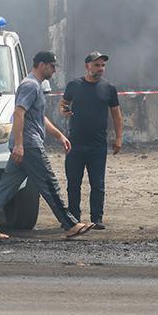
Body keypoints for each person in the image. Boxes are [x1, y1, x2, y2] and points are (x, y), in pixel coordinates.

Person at [0, 51, 93, 240]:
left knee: (6, 187)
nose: (54, 70)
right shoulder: (30, 85)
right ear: (42, 65)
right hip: (29, 145)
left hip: (25, 144)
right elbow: (19, 113)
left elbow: (39, 117)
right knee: (49, 183)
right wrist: (20, 145)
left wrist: (59, 136)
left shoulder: (35, 85)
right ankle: (70, 224)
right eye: (52, 66)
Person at [60, 52, 123, 228]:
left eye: (103, 65)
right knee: (73, 182)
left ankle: (97, 218)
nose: (101, 69)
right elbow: (63, 104)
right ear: (87, 66)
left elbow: (116, 115)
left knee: (98, 183)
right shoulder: (74, 85)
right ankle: (73, 218)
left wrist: (119, 137)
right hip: (75, 143)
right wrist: (64, 110)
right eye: (97, 65)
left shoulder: (109, 88)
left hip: (98, 145)